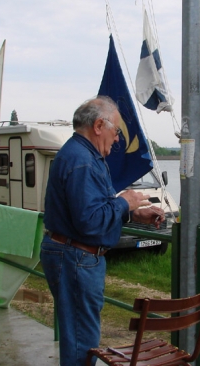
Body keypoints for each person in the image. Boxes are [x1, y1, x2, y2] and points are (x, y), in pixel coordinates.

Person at [41, 96, 165, 366]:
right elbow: (90, 221)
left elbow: (94, 208)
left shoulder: (83, 155)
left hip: (73, 255)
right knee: (81, 340)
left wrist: (133, 213)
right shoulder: (82, 161)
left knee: (79, 334)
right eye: (116, 131)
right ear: (99, 125)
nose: (118, 139)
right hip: (76, 257)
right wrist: (125, 201)